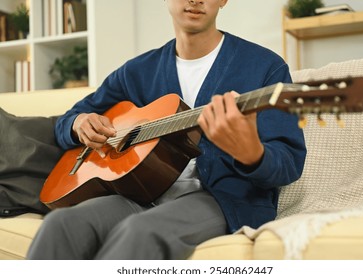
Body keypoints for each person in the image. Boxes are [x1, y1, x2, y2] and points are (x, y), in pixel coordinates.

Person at [27, 0, 306, 260]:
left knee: (141, 231)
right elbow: (69, 119)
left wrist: (251, 153)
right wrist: (79, 124)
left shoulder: (265, 68)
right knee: (61, 224)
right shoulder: (136, 71)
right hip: (140, 193)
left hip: (222, 200)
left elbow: (288, 163)